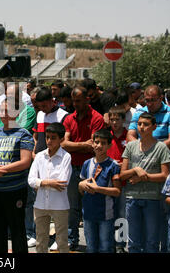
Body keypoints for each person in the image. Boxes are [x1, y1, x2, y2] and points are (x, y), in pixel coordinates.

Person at [127, 84, 170, 252]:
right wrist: (141, 147)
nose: (148, 104)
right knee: (138, 225)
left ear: (161, 97)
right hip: (138, 171)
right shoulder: (139, 113)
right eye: (146, 100)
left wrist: (152, 149)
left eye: (153, 100)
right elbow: (130, 135)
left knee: (162, 218)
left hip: (163, 170)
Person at [0, 99, 35, 253]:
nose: (3, 114)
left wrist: (3, 170)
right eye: (1, 111)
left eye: (7, 111)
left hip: (14, 189)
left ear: (16, 114)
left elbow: (25, 161)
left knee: (17, 229)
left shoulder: (23, 134)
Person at [120, 112, 170, 253]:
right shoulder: (130, 146)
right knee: (133, 241)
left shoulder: (161, 147)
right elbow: (123, 174)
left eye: (146, 124)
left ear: (154, 127)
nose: (142, 127)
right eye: (139, 124)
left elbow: (165, 175)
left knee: (152, 241)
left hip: (153, 198)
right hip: (132, 198)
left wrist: (145, 177)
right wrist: (136, 169)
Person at [61, 86, 104, 251]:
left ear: (87, 99)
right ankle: (72, 239)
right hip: (72, 167)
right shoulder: (69, 118)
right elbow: (64, 144)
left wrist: (75, 145)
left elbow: (93, 145)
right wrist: (82, 145)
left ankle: (94, 242)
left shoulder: (97, 118)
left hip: (91, 168)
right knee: (72, 206)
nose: (75, 104)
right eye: (73, 101)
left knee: (90, 206)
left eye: (78, 101)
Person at [28, 122, 71, 253]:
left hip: (59, 205)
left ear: (61, 139)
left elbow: (63, 183)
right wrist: (49, 183)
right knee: (41, 241)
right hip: (40, 204)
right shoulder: (40, 156)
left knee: (62, 241)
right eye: (47, 137)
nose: (49, 141)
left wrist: (40, 183)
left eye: (53, 138)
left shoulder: (66, 157)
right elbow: (30, 180)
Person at [79, 129, 121, 253]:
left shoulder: (113, 165)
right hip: (88, 212)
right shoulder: (87, 163)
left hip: (105, 214)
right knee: (91, 247)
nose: (99, 146)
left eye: (103, 143)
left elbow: (117, 191)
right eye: (96, 142)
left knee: (105, 247)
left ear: (109, 145)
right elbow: (81, 189)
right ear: (92, 143)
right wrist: (81, 185)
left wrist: (98, 189)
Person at [107, 106, 128, 253]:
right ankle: (108, 242)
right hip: (107, 181)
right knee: (108, 213)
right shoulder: (106, 136)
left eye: (117, 119)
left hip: (123, 181)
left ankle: (120, 244)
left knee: (122, 213)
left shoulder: (129, 136)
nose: (114, 122)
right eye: (112, 119)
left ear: (123, 120)